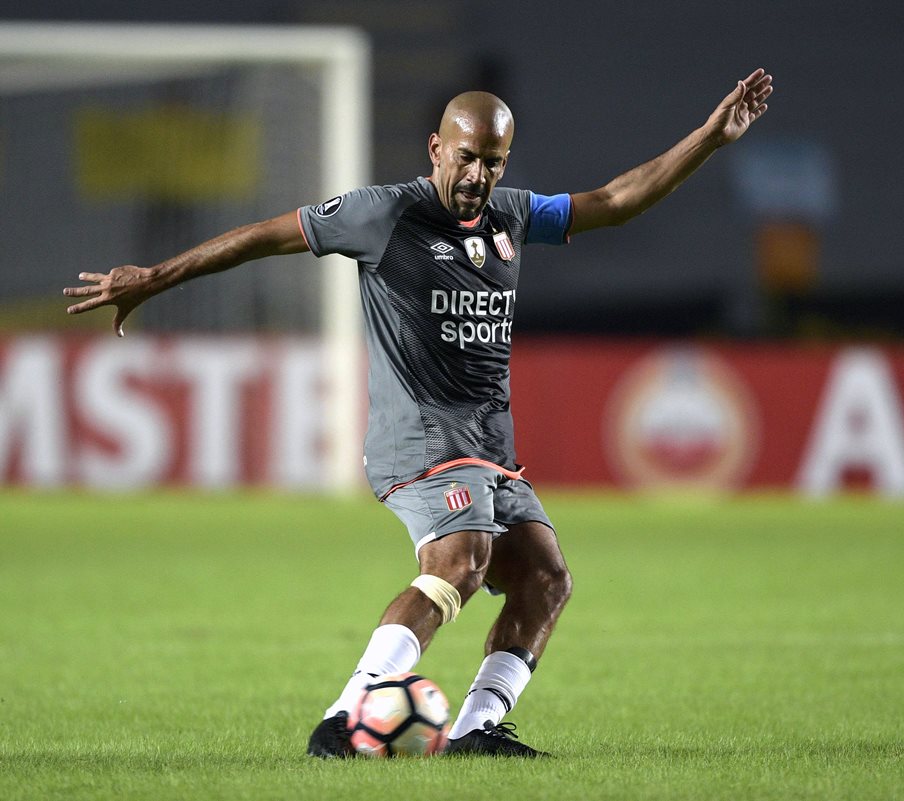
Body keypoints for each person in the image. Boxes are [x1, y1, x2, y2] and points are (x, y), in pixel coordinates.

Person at [63, 69, 773, 757]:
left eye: (493, 162)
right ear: (437, 149)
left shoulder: (513, 216)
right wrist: (155, 277)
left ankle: (476, 727)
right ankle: (346, 715)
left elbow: (616, 199)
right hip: (420, 439)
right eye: (466, 158)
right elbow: (264, 235)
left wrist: (710, 137)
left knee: (547, 577)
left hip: (489, 446)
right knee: (461, 561)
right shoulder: (385, 214)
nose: (478, 176)